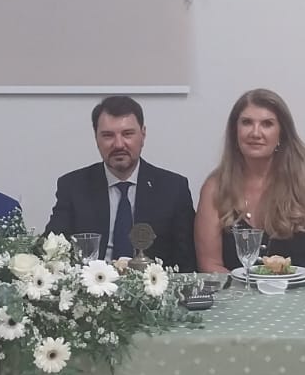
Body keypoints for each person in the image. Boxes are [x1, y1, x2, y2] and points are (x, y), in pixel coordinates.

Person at [44, 96, 196, 271]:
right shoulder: (73, 187)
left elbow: (187, 262)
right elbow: (51, 248)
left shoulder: (173, 188)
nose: (118, 144)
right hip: (93, 283)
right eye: (108, 135)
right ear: (96, 138)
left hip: (154, 284)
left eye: (127, 134)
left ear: (143, 135)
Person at [194, 88, 305, 273]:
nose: (255, 133)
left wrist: (304, 290)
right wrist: (243, 291)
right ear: (235, 131)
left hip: (299, 290)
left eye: (267, 124)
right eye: (247, 122)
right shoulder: (215, 188)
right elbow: (209, 264)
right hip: (234, 291)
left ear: (281, 134)